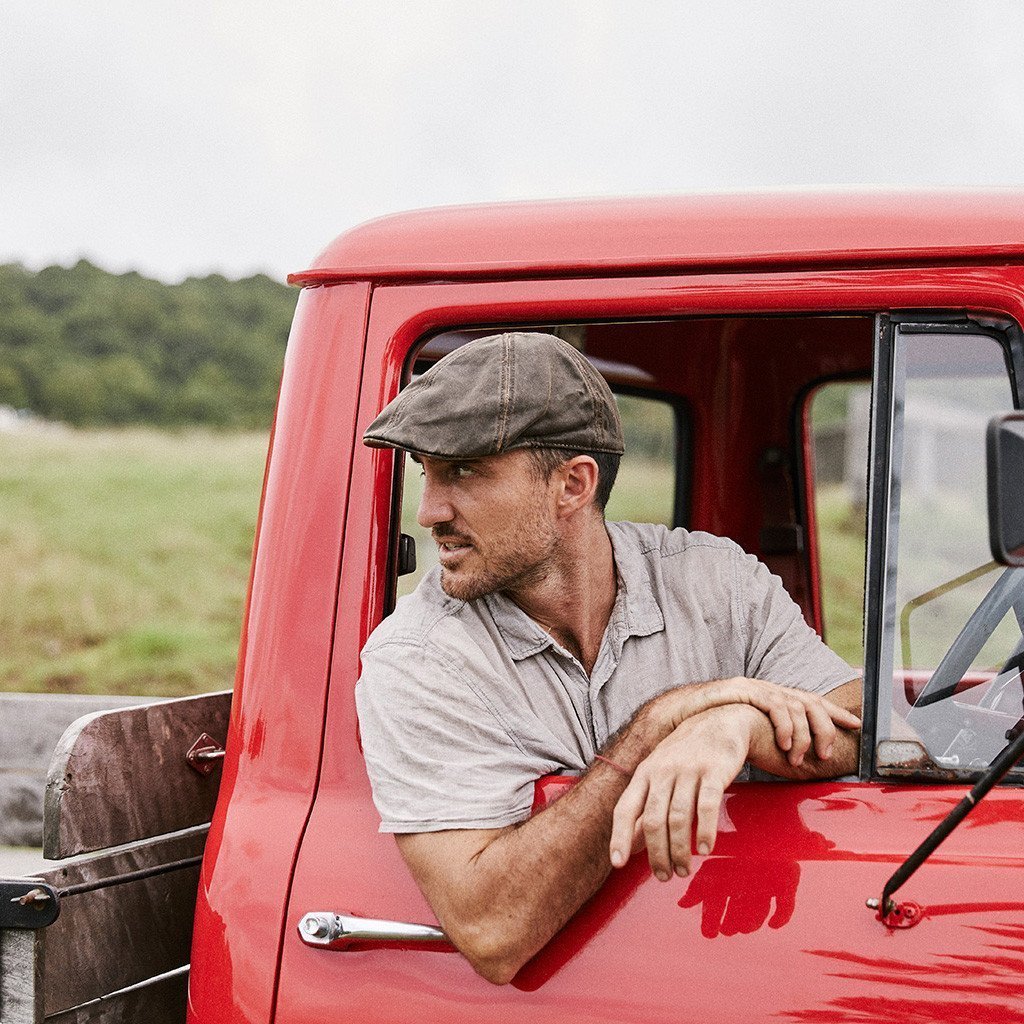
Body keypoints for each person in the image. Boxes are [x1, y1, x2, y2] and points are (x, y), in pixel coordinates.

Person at [355, 331, 861, 984]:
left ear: (573, 484)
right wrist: (660, 726)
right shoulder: (417, 659)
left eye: (463, 471)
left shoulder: (717, 581)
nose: (428, 512)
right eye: (426, 472)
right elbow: (491, 932)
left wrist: (734, 724)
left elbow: (856, 721)